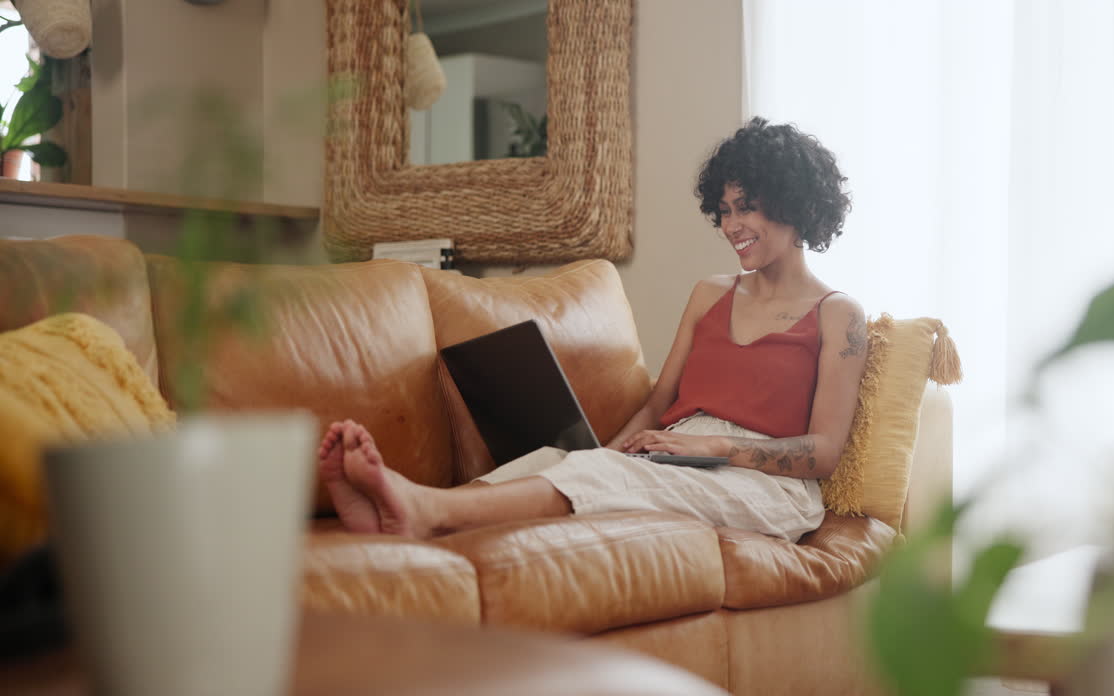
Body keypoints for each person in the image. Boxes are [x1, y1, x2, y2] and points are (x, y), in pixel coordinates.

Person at [316, 117, 868, 543]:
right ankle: (408, 508)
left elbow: (823, 452)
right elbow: (657, 405)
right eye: (723, 210)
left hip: (766, 484)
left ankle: (423, 511)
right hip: (676, 453)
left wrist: (714, 445)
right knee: (553, 463)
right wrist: (606, 454)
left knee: (623, 478)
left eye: (746, 208)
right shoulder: (710, 293)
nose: (731, 226)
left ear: (796, 204)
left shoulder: (838, 314)